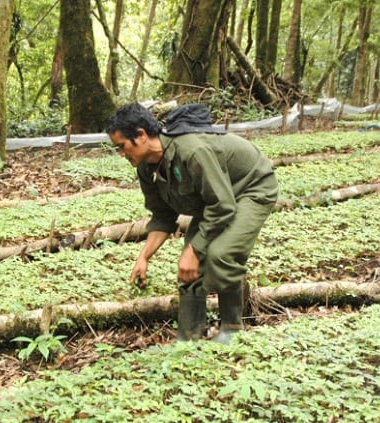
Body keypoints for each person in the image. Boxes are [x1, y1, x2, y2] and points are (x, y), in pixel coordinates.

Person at [106, 103, 278, 344]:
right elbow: (163, 217)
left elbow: (223, 206)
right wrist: (144, 257)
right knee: (189, 268)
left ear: (141, 135)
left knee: (220, 254)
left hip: (251, 187)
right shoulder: (147, 169)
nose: (121, 154)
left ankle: (231, 330)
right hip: (216, 200)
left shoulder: (192, 151)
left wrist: (195, 249)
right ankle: (189, 336)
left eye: (121, 146)